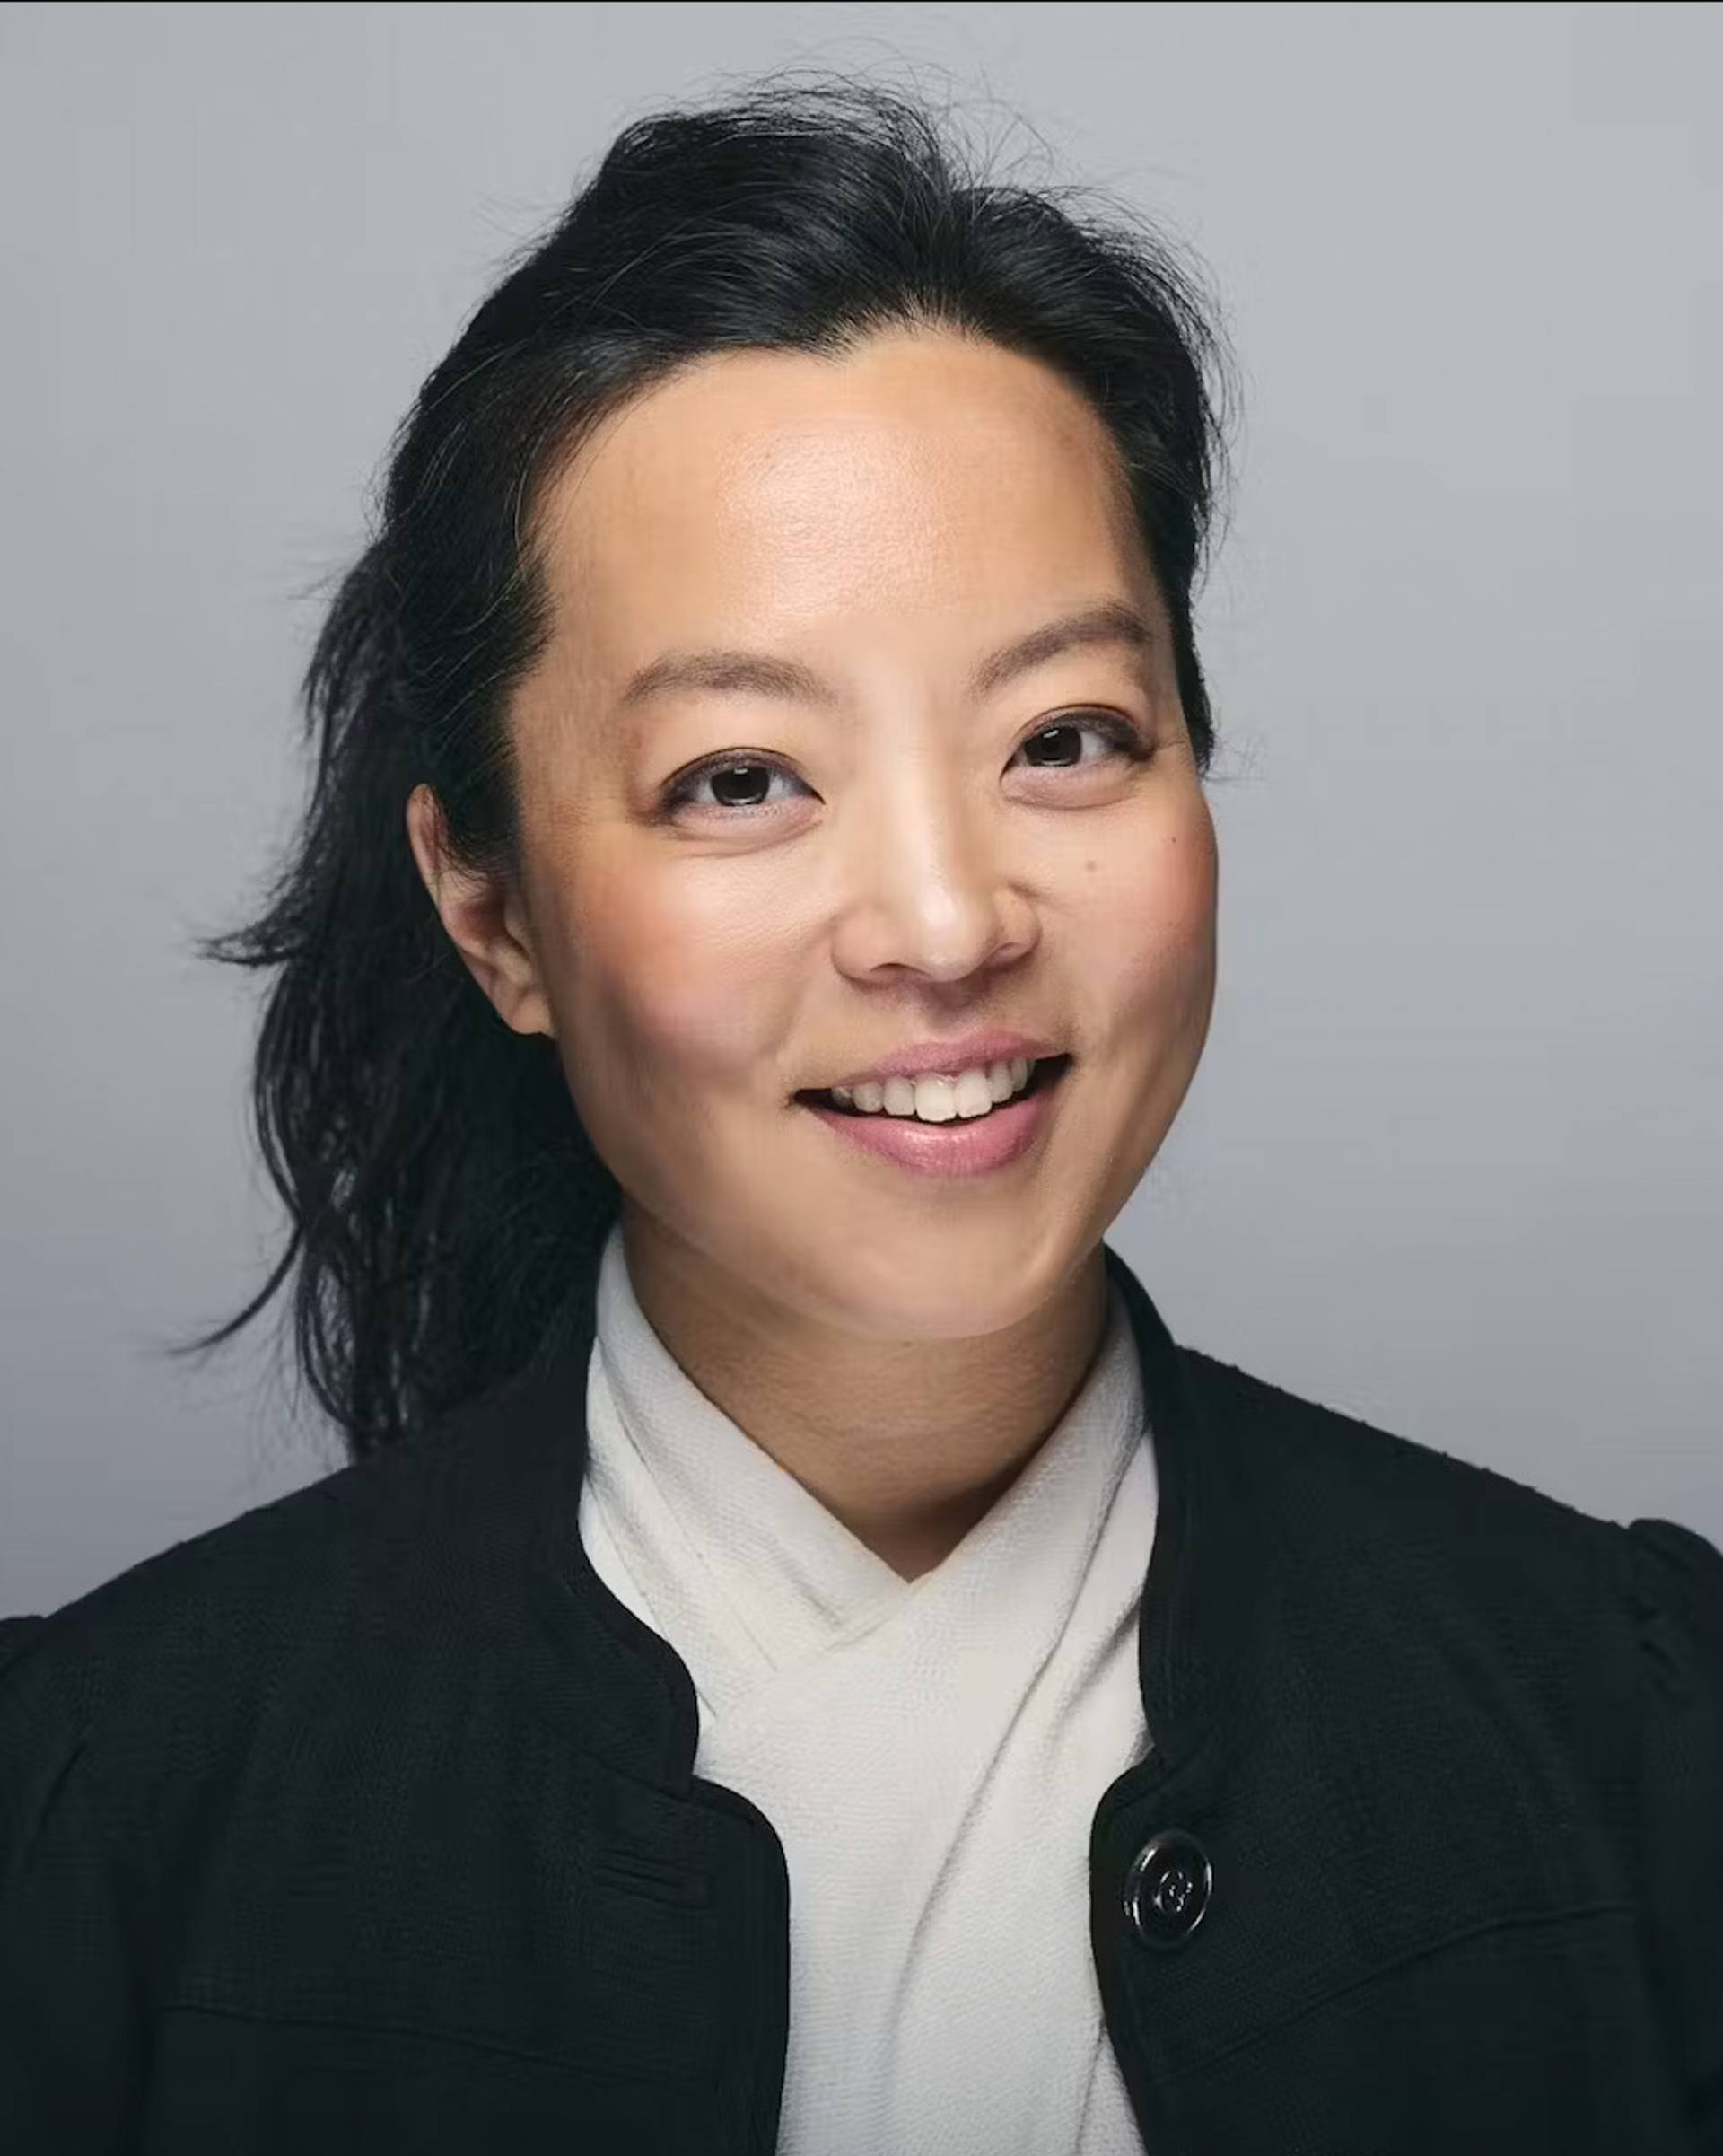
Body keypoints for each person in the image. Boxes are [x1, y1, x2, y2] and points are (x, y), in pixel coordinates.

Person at [2, 74, 1719, 2156]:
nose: (943, 921)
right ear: (493, 910)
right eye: (741, 776)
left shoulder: (1637, 1732)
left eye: (1067, 737)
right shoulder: (97, 1820)